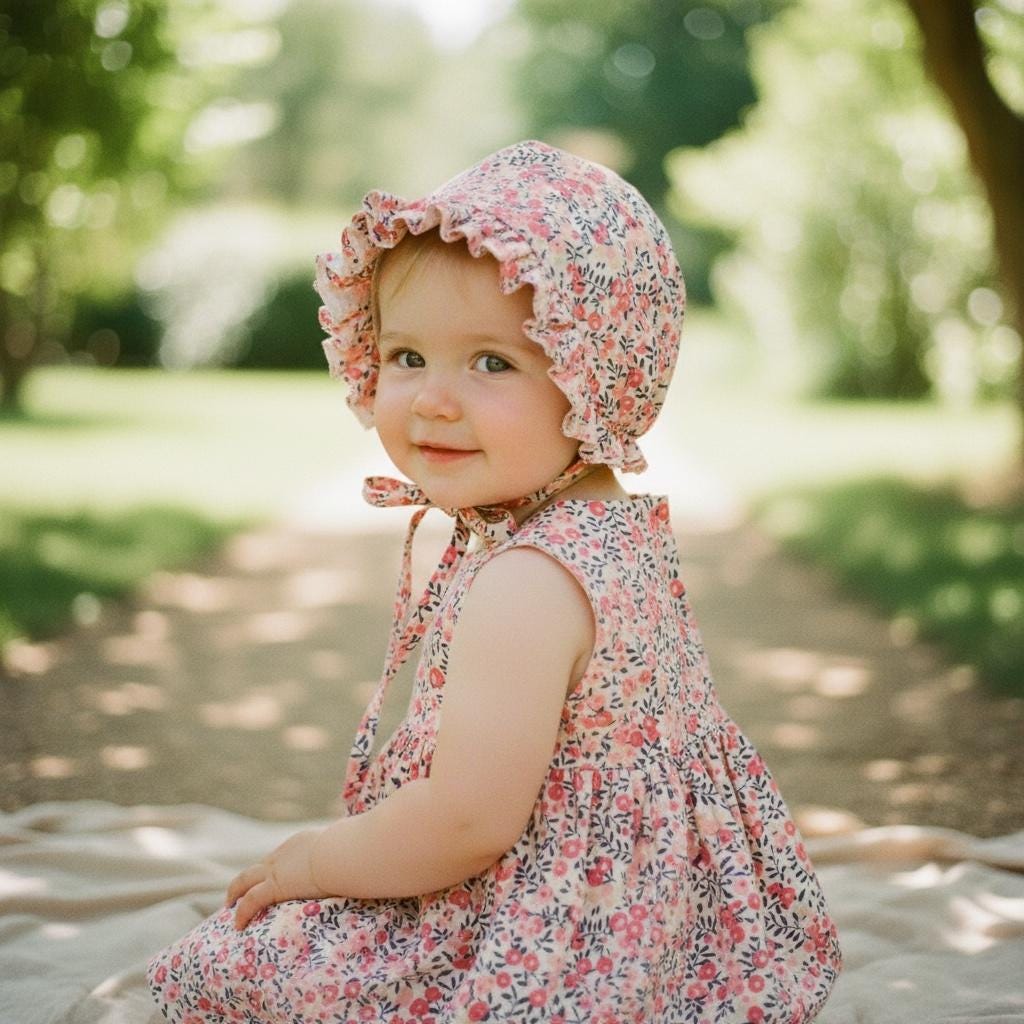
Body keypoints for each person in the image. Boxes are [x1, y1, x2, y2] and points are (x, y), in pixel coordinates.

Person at [147, 139, 841, 1024]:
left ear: (592, 383)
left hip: (555, 922)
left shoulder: (527, 582)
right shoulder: (611, 528)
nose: (434, 399)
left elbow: (468, 823)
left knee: (228, 967)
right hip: (666, 911)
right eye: (406, 356)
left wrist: (316, 863)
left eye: (491, 363)